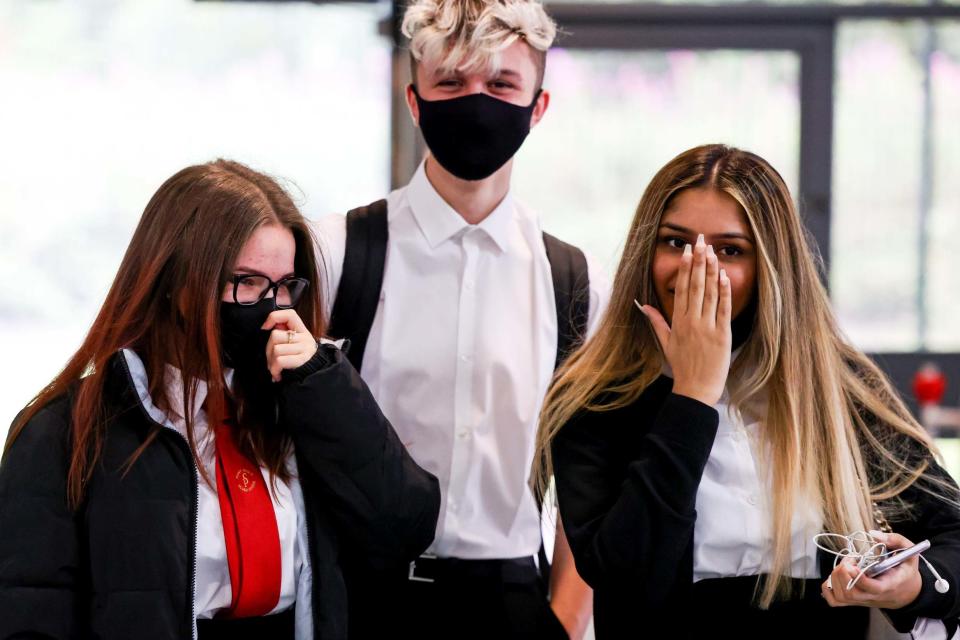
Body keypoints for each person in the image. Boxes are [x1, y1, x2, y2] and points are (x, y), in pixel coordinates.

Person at [0, 159, 440, 640]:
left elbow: (404, 527)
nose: (274, 306)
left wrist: (324, 383)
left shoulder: (300, 403)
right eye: (247, 282)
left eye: (284, 286)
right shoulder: (64, 431)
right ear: (177, 283)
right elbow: (30, 612)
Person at [534, 144, 960, 639]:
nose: (698, 267)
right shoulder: (598, 398)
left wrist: (911, 588)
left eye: (729, 250)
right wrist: (692, 397)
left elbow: (952, 534)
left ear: (772, 269)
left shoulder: (833, 388)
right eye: (675, 242)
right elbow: (626, 578)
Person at [314, 1, 606, 637]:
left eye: (501, 84)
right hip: (369, 597)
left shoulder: (574, 281)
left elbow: (593, 474)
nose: (476, 103)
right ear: (415, 102)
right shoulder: (340, 251)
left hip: (513, 598)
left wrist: (565, 619)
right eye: (451, 82)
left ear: (539, 106)